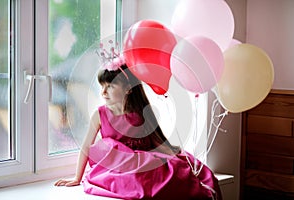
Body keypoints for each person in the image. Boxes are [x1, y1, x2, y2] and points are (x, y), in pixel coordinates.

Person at [55, 59, 222, 200]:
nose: (103, 91)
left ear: (128, 88)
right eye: (102, 86)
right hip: (117, 168)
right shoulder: (99, 115)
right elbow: (86, 147)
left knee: (170, 171)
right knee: (135, 178)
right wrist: (77, 177)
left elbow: (155, 141)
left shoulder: (140, 113)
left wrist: (176, 156)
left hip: (141, 163)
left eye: (110, 86)